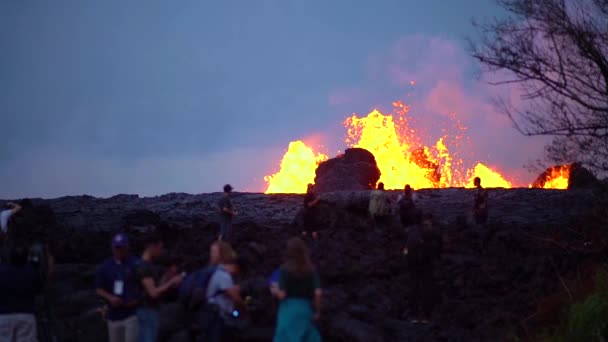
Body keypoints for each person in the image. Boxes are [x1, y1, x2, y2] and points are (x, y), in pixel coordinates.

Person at [273, 238, 322, 342]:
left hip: (288, 309)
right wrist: (317, 311)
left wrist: (274, 289)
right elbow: (318, 293)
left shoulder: (284, 269)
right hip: (305, 308)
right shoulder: (311, 270)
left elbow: (282, 295)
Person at [136, 235, 184, 342]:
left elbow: (154, 287)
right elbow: (153, 293)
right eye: (159, 248)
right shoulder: (144, 267)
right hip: (145, 311)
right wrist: (171, 282)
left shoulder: (148, 266)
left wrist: (168, 277)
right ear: (151, 247)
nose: (161, 251)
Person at [95, 234, 140, 342]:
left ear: (127, 247)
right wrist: (110, 298)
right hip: (113, 315)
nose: (119, 250)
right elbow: (99, 288)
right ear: (112, 248)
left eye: (122, 247)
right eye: (117, 248)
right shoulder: (105, 266)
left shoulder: (136, 264)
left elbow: (144, 286)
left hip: (131, 315)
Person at [0, 244, 44, 342]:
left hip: (3, 315)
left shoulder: (1, 272)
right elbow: (39, 290)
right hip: (26, 314)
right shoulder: (32, 272)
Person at [404, 213, 442, 325]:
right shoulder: (432, 232)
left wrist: (406, 258)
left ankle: (414, 315)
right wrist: (437, 257)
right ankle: (426, 316)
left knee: (414, 287)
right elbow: (439, 247)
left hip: (413, 263)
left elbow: (405, 248)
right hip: (426, 263)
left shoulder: (410, 231)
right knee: (426, 287)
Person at [202, 247, 247, 342]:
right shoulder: (223, 275)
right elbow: (235, 298)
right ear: (236, 267)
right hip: (215, 316)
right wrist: (245, 309)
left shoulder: (219, 273)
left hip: (215, 316)